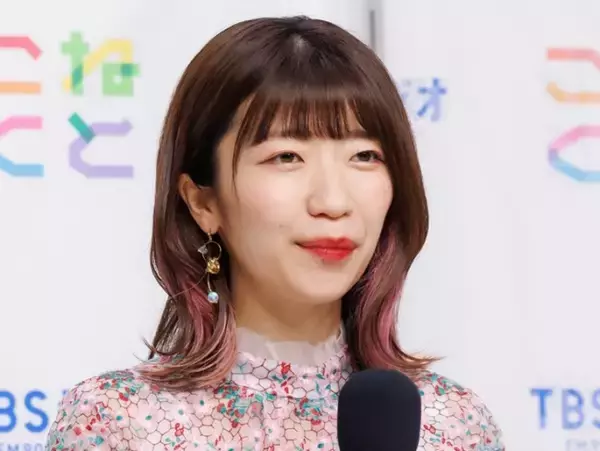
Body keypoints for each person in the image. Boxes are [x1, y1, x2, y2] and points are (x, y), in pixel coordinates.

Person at [46, 16, 505, 451]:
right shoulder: (118, 422)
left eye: (364, 156)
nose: (333, 201)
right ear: (203, 202)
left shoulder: (452, 424)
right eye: (286, 157)